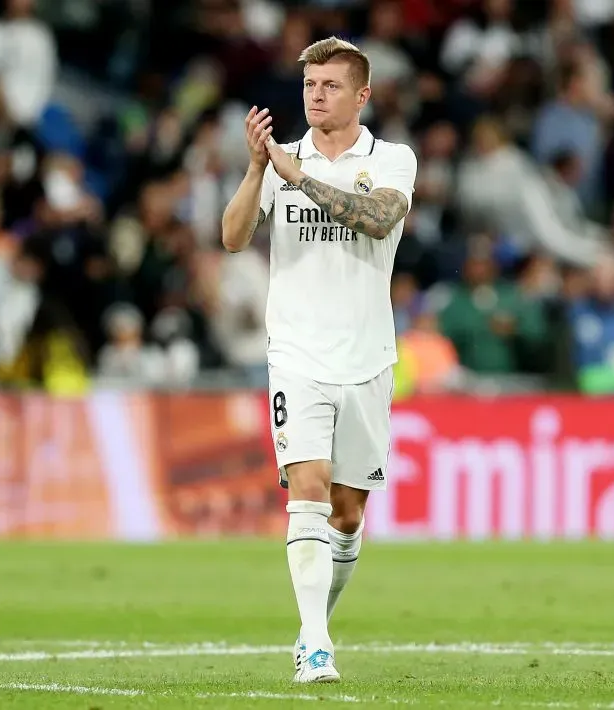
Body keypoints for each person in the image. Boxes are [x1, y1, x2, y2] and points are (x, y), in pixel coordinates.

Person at [221, 36, 417, 684]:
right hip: (296, 352)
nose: (316, 95)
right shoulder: (281, 160)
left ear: (362, 95)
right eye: (310, 85)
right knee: (306, 490)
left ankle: (317, 624)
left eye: (330, 85)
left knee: (348, 511)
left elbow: (380, 219)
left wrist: (298, 176)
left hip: (366, 355)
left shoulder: (391, 160)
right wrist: (256, 171)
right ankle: (315, 643)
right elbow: (232, 237)